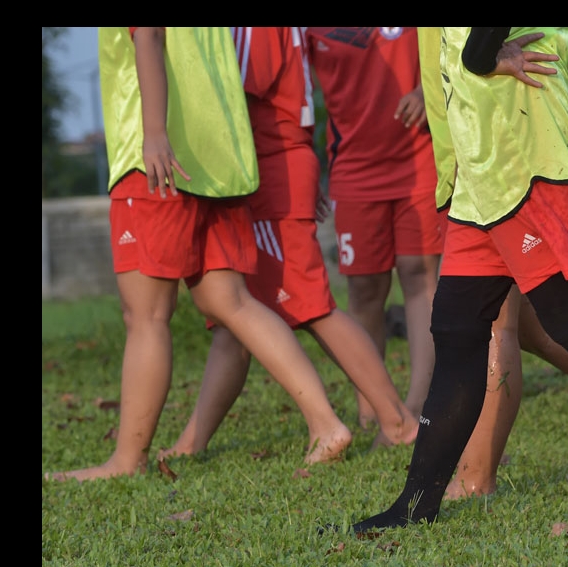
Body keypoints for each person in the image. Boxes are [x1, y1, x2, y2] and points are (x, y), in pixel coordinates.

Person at [341, 27, 568, 533]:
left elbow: (472, 52)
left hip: (525, 164)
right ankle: (415, 506)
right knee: (455, 332)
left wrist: (482, 51)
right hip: (479, 178)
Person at [53, 27, 354, 482]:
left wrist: (154, 132)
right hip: (219, 165)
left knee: (146, 316)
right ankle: (325, 424)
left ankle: (125, 461)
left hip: (159, 159)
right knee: (230, 301)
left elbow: (149, 36)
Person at [158, 27, 420, 462]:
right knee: (234, 317)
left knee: (311, 307)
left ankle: (394, 421)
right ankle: (192, 442)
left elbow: (228, 88)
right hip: (273, 164)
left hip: (267, 168)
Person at [305, 27, 441, 431]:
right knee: (364, 288)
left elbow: (451, 48)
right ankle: (373, 405)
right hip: (353, 169)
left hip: (419, 158)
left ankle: (419, 401)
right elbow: (295, 94)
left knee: (419, 274)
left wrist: (426, 91)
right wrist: (304, 162)